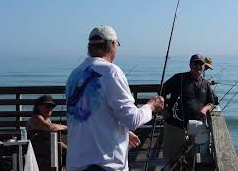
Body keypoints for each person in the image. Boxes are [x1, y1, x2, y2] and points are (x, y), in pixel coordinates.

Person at [65, 25, 164, 171]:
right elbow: (133, 120)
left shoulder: (75, 74)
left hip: (76, 164)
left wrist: (122, 131)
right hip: (104, 166)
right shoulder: (111, 72)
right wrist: (151, 106)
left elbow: (90, 117)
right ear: (112, 44)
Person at [162, 54, 218, 169]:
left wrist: (205, 108)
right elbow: (162, 91)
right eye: (195, 63)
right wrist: (164, 108)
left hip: (195, 125)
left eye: (201, 64)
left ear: (204, 66)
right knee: (174, 158)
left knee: (191, 157)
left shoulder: (206, 84)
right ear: (190, 65)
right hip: (175, 124)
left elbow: (212, 102)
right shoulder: (179, 78)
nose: (198, 66)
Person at [26, 95, 67, 170]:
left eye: (52, 107)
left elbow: (55, 140)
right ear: (38, 107)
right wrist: (66, 127)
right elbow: (50, 128)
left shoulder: (47, 120)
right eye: (47, 106)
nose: (50, 109)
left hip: (47, 151)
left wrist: (68, 149)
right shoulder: (36, 118)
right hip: (37, 153)